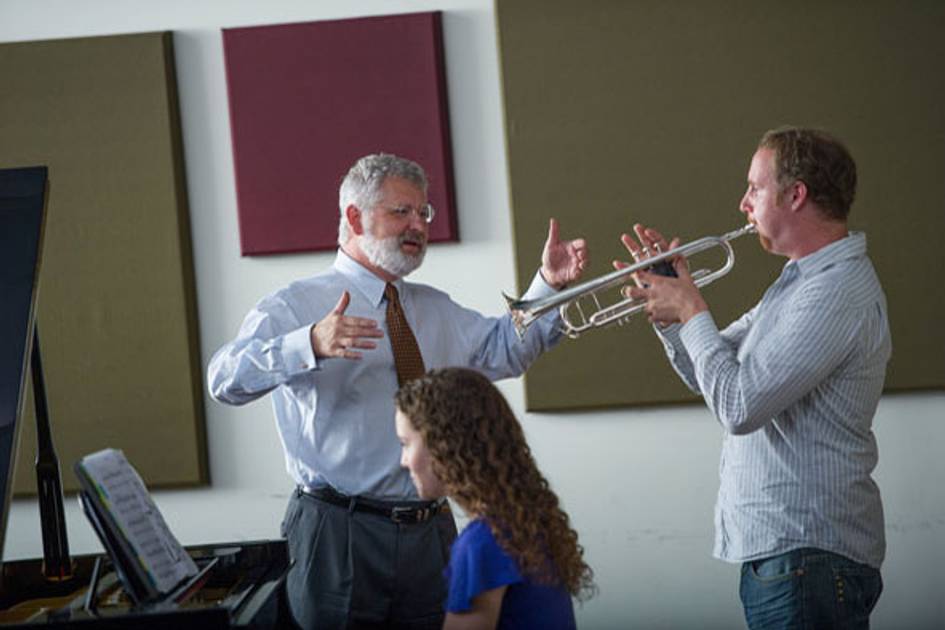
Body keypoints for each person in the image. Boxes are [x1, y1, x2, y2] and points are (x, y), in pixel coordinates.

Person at [207, 153, 588, 629]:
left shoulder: (432, 308)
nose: (418, 225)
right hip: (340, 532)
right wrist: (306, 344)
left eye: (423, 213)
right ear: (354, 217)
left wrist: (548, 286)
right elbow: (223, 380)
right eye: (401, 212)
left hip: (432, 528)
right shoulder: (295, 304)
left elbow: (503, 350)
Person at [618, 127, 890, 629]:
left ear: (795, 194)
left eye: (755, 188)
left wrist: (693, 308)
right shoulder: (799, 284)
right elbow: (713, 373)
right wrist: (678, 309)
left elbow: (738, 407)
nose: (743, 202)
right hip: (790, 557)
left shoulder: (832, 293)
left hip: (807, 556)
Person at [394, 367, 594, 629]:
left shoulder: (481, 545)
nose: (403, 461)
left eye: (406, 443)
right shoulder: (526, 520)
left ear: (445, 444)